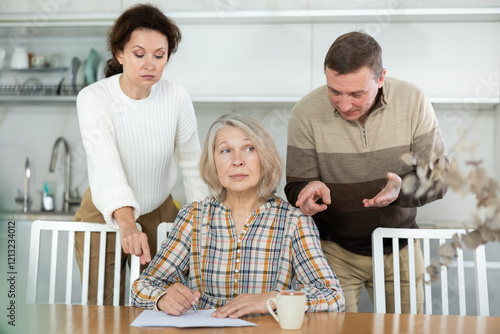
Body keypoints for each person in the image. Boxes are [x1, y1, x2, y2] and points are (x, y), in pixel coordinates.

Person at [285, 31, 447, 313]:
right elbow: (296, 185)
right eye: (334, 91)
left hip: (401, 248)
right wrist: (306, 192)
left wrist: (402, 190)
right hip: (334, 253)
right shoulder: (305, 112)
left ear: (381, 78)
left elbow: (440, 178)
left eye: (356, 94)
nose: (345, 104)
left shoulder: (414, 101)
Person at [132, 113, 345, 317]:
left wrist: (274, 299)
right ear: (213, 162)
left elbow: (332, 296)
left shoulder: (295, 221)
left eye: (249, 149)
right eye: (225, 151)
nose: (237, 161)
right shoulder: (193, 216)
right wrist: (162, 298)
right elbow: (143, 287)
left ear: (265, 157)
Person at [75, 3, 208, 305]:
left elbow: (191, 163)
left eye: (159, 55)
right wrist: (126, 224)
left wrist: (202, 221)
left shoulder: (176, 97)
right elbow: (105, 161)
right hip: (104, 211)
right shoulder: (94, 98)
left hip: (160, 210)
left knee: (164, 302)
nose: (150, 64)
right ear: (119, 54)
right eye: (139, 54)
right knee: (103, 305)